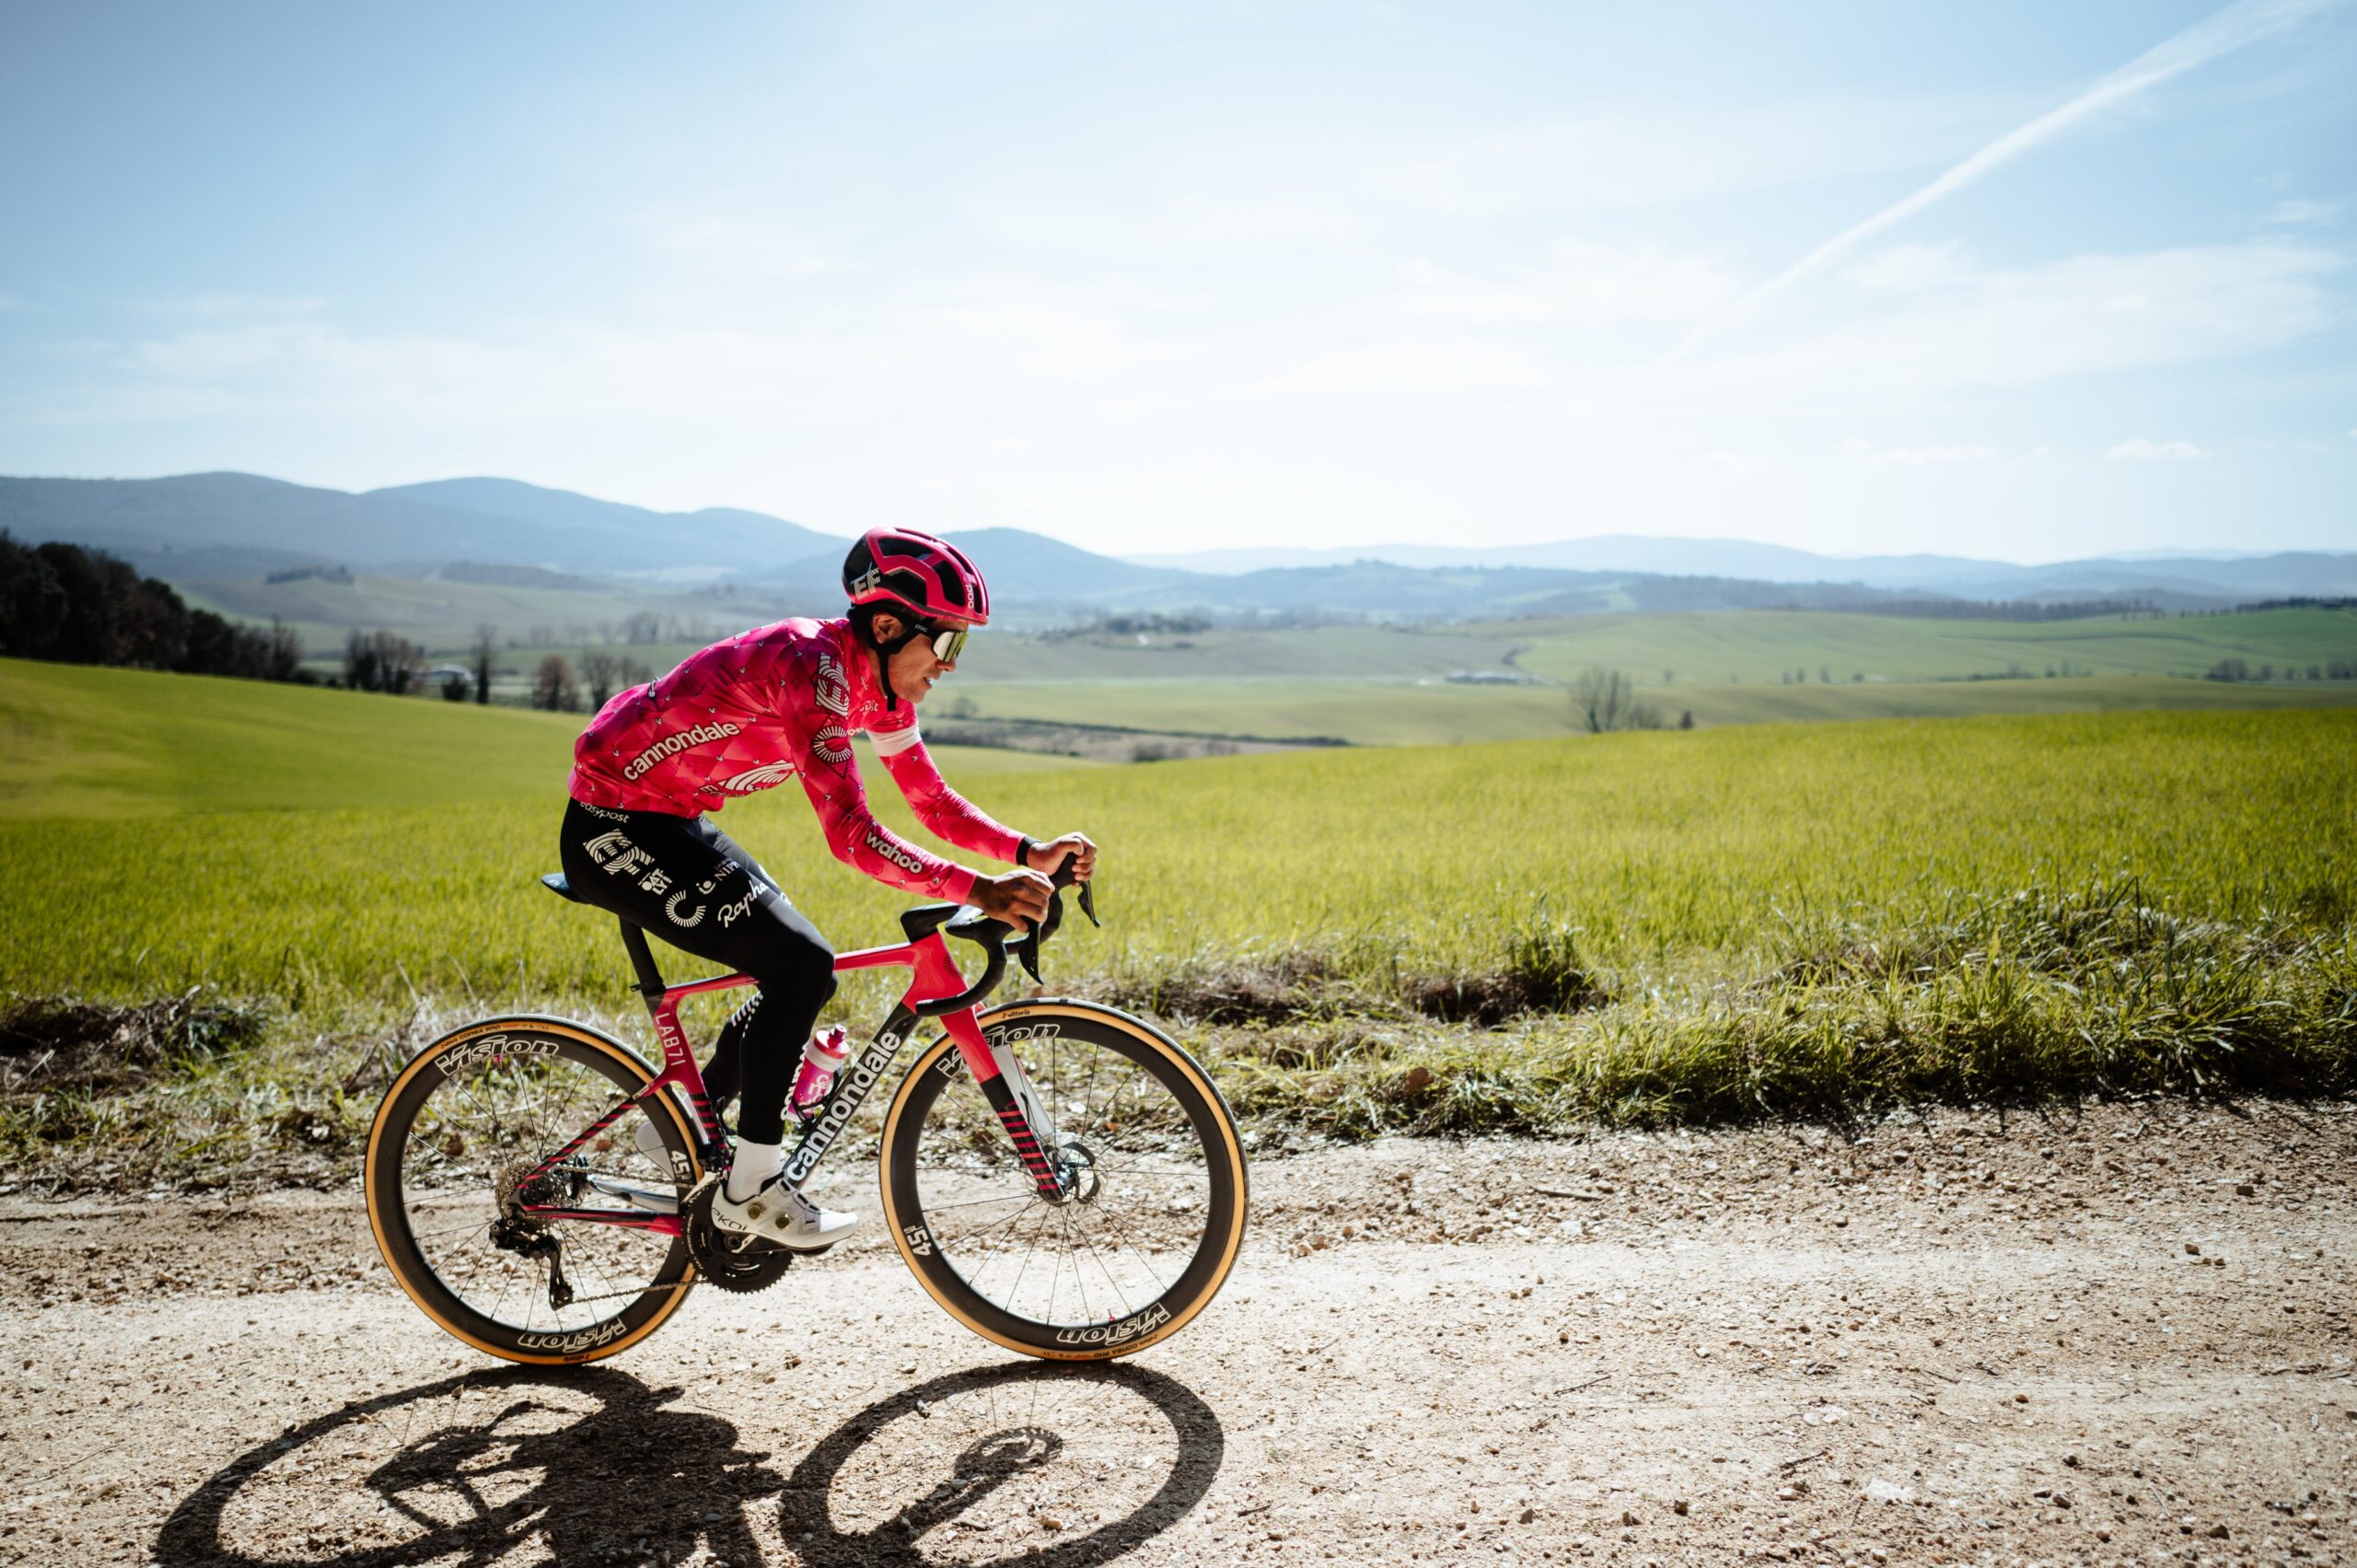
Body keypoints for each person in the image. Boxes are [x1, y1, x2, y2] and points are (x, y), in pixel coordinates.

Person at [556, 528, 1095, 1249]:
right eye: (946, 642)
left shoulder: (880, 692)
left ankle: (684, 1130)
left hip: (672, 818)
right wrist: (982, 889)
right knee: (801, 965)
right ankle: (751, 1188)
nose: (949, 664)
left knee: (803, 967)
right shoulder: (808, 665)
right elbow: (853, 836)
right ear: (887, 627)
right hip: (611, 823)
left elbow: (931, 802)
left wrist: (1027, 851)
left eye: (960, 646)